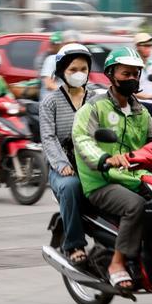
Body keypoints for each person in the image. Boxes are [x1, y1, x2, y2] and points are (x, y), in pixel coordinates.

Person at [72, 46, 152, 290]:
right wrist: (105, 159)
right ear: (111, 74)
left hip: (135, 177)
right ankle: (117, 264)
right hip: (102, 180)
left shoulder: (140, 110)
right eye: (125, 74)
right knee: (135, 206)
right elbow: (82, 140)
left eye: (135, 74)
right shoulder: (94, 108)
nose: (131, 79)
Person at [39, 43, 93, 265]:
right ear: (62, 71)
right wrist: (61, 163)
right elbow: (48, 138)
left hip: (95, 164)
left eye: (83, 69)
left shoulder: (97, 99)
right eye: (73, 70)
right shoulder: (50, 102)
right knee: (71, 186)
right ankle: (74, 245)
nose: (79, 74)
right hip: (64, 168)